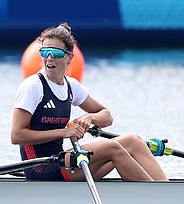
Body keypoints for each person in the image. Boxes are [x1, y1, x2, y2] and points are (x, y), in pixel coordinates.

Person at [10, 23, 168, 181]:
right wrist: (63, 132)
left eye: (56, 53)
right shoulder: (33, 87)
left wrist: (90, 118)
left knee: (133, 141)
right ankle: (157, 198)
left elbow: (107, 116)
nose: (49, 58)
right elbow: (16, 135)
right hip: (40, 167)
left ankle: (165, 189)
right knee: (112, 147)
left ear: (70, 57)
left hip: (64, 160)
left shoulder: (72, 86)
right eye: (45, 52)